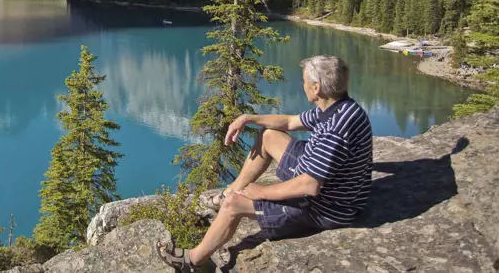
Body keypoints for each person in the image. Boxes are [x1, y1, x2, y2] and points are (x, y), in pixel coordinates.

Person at [157, 55, 373, 271]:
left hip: (323, 207)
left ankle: (192, 260)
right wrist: (248, 118)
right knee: (269, 135)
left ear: (316, 88)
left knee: (233, 204)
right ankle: (233, 189)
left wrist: (261, 192)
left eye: (304, 81)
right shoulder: (338, 107)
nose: (302, 85)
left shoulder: (335, 129)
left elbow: (309, 185)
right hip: (321, 177)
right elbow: (290, 121)